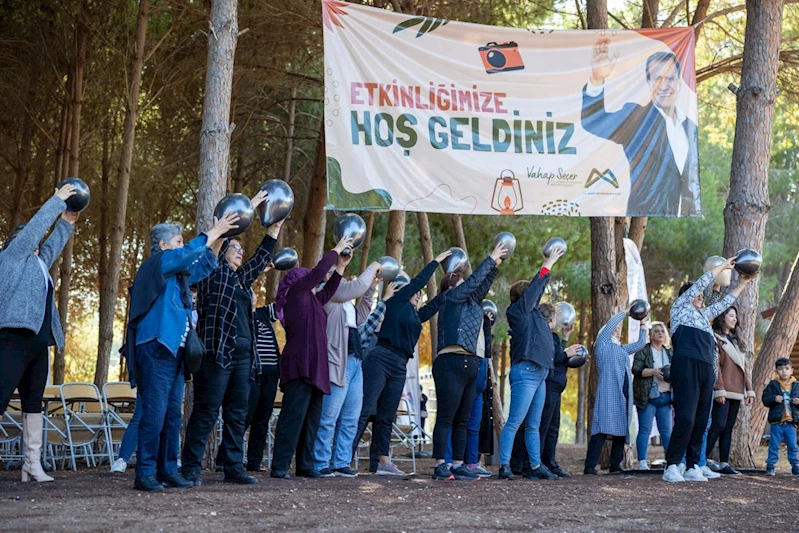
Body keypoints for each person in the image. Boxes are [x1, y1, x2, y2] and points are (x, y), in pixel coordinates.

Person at [124, 214, 238, 492]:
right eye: (178, 241)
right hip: (156, 346)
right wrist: (212, 232)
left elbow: (203, 266)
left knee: (173, 415)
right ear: (164, 245)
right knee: (154, 413)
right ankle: (146, 472)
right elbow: (188, 255)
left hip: (174, 350)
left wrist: (218, 239)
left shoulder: (177, 276)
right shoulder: (159, 263)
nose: (182, 245)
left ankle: (167, 469)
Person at [182, 191, 279, 486]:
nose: (239, 250)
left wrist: (274, 226)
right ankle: (190, 468)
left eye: (240, 248)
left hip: (243, 357)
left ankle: (234, 467)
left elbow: (261, 257)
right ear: (224, 250)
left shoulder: (240, 278)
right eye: (234, 247)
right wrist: (245, 208)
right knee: (207, 411)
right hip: (216, 354)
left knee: (238, 413)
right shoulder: (214, 272)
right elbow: (220, 241)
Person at [0, 183, 79, 483]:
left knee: (34, 404)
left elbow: (51, 245)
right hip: (12, 341)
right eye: (27, 240)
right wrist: (56, 201)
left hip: (37, 345)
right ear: (15, 242)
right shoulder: (9, 259)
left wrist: (67, 223)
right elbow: (35, 232)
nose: (34, 244)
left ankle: (31, 465)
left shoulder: (38, 265)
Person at [352, 249, 452, 476]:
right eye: (416, 292)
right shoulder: (397, 302)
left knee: (387, 415)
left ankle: (382, 463)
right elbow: (419, 281)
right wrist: (435, 261)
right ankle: (343, 458)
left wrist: (450, 289)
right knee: (366, 409)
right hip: (380, 357)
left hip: (400, 365)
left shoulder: (415, 315)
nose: (419, 294)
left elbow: (435, 304)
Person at [581, 39, 699, 216]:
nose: (664, 85)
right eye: (658, 78)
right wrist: (597, 80)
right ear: (649, 82)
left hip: (685, 220)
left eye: (670, 78)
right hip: (648, 218)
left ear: (679, 82)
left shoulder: (689, 126)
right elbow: (594, 122)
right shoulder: (636, 118)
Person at [270, 235, 353, 479]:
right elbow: (317, 274)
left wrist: (340, 267)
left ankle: (305, 465)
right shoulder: (296, 293)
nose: (313, 283)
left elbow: (327, 289)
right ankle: (280, 466)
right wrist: (335, 250)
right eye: (308, 279)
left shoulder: (314, 301)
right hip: (299, 363)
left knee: (311, 420)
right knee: (293, 417)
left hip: (317, 366)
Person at [662, 259, 753, 483]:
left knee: (702, 420)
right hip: (686, 365)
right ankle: (672, 465)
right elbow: (702, 282)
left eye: (702, 296)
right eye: (698, 295)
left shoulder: (704, 316)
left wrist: (742, 283)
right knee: (685, 417)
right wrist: (722, 267)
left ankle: (693, 465)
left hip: (706, 369)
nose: (701, 297)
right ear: (686, 296)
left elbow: (725, 303)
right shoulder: (680, 308)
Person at [432, 242, 504, 481]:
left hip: (471, 364)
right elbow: (473, 283)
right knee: (446, 417)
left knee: (463, 419)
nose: (466, 284)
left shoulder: (471, 304)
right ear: (451, 285)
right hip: (450, 361)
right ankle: (441, 464)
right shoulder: (450, 297)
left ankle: (459, 464)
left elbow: (480, 285)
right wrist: (490, 258)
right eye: (461, 281)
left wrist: (494, 268)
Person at [498, 248, 565, 481]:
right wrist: (548, 264)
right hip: (525, 372)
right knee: (515, 421)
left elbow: (538, 292)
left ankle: (535, 466)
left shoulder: (536, 315)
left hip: (540, 374)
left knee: (533, 425)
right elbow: (535, 290)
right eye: (532, 294)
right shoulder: (518, 311)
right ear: (524, 297)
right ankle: (504, 465)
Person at [312, 261, 381, 478]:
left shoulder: (346, 302)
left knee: (351, 416)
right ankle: (320, 462)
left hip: (355, 361)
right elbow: (356, 286)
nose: (336, 274)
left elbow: (361, 316)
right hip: (335, 362)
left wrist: (371, 289)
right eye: (331, 271)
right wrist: (372, 267)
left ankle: (341, 462)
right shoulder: (327, 293)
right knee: (329, 416)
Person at [510, 308, 577, 478]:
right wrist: (566, 352)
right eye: (555, 317)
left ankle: (547, 462)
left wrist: (565, 339)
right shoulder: (541, 334)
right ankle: (532, 463)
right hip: (547, 384)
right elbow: (552, 357)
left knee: (551, 426)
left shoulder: (552, 336)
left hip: (556, 385)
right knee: (538, 425)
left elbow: (557, 355)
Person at [584, 308, 648, 475]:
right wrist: (625, 313)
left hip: (624, 391)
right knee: (602, 429)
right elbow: (610, 325)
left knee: (621, 428)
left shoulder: (622, 349)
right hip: (608, 392)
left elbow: (640, 344)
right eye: (615, 329)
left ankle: (615, 464)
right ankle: (590, 466)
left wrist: (643, 324)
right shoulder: (602, 345)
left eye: (620, 330)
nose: (618, 331)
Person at [444, 307, 498, 478]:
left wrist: (487, 326)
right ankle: (448, 462)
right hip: (464, 383)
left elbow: (487, 351)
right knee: (453, 422)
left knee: (474, 426)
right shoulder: (465, 334)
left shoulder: (484, 341)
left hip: (478, 389)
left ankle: (472, 463)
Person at [705, 306, 754, 476]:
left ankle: (724, 463)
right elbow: (715, 367)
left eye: (735, 316)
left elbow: (744, 368)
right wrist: (719, 390)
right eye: (731, 315)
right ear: (722, 317)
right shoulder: (715, 338)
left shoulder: (735, 340)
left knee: (728, 427)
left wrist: (749, 390)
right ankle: (700, 460)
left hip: (737, 390)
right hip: (723, 390)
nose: (734, 319)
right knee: (718, 425)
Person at [244, 291, 281, 472]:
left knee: (262, 419)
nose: (250, 297)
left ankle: (254, 462)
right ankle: (226, 458)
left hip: (271, 374)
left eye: (251, 294)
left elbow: (283, 301)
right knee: (246, 416)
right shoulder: (239, 315)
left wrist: (292, 277)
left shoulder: (263, 313)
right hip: (252, 374)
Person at [632, 321, 673, 470]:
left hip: (666, 397)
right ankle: (642, 461)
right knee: (645, 430)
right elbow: (636, 370)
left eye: (662, 331)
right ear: (651, 334)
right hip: (648, 396)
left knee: (667, 432)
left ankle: (671, 462)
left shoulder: (669, 352)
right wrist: (653, 372)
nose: (660, 333)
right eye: (656, 331)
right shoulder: (644, 351)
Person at [761, 358, 799, 476]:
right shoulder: (773, 385)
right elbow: (765, 399)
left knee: (792, 445)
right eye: (780, 369)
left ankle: (795, 465)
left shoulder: (796, 385)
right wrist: (774, 398)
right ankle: (771, 465)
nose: (784, 371)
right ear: (776, 371)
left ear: (791, 370)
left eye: (786, 369)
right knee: (774, 444)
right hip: (777, 421)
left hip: (791, 422)